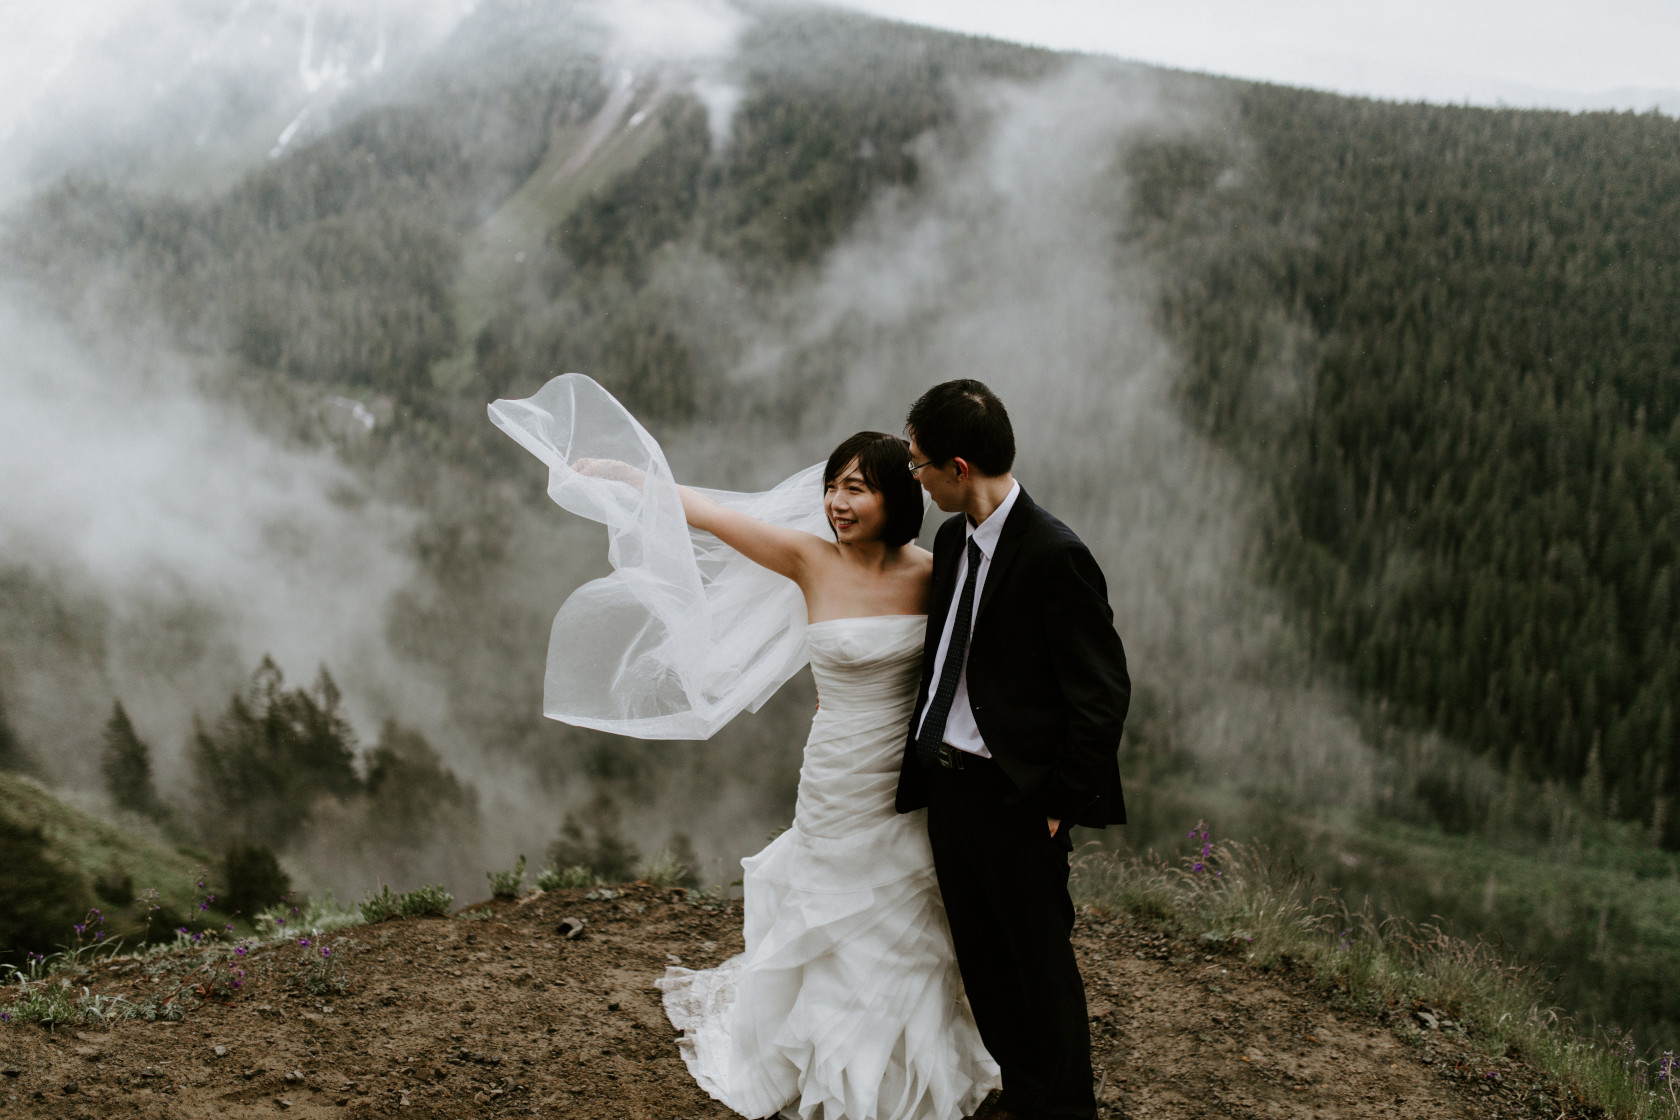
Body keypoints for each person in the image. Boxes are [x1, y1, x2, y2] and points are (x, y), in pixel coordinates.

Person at [491, 374, 997, 1120]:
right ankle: (819, 1061)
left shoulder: (935, 572)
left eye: (856, 488)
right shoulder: (807, 559)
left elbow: (968, 662)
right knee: (825, 902)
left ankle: (897, 1062)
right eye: (832, 487)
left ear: (899, 495)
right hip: (836, 770)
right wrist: (629, 478)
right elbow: (711, 515)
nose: (838, 503)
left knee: (903, 911)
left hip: (907, 775)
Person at [896, 379, 1130, 1120]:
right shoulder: (950, 538)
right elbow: (947, 657)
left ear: (958, 467)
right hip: (950, 788)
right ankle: (1026, 1096)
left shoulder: (1056, 554)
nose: (915, 477)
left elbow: (1102, 695)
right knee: (986, 966)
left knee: (1040, 971)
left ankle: (1065, 1111)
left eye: (918, 464)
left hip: (1018, 800)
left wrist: (1057, 804)